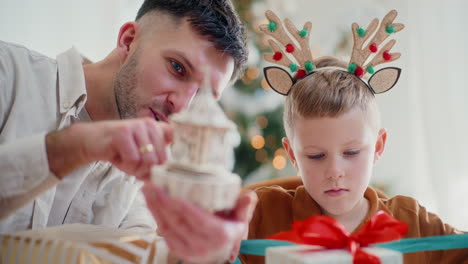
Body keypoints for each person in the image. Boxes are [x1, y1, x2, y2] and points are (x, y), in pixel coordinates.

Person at [0, 0, 257, 263]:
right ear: (128, 40)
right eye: (177, 67)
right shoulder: (7, 73)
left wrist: (200, 255)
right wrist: (73, 147)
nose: (181, 108)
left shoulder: (153, 177)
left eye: (203, 95)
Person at [239, 10, 467, 264]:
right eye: (316, 155)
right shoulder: (261, 215)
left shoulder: (412, 221)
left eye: (351, 153)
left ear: (378, 146)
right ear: (292, 153)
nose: (335, 171)